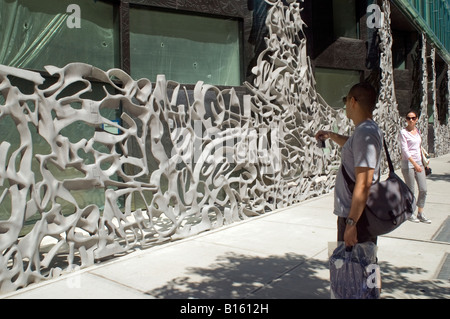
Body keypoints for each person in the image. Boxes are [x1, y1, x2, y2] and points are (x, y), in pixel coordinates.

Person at [315, 82, 383, 247]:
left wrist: (351, 224)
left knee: (354, 269)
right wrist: (331, 135)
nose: (344, 105)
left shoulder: (365, 133)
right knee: (358, 269)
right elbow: (352, 145)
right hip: (356, 214)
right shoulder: (365, 131)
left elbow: (364, 182)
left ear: (353, 101)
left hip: (357, 217)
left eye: (345, 100)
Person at [398, 110, 431, 223]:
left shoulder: (418, 131)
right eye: (408, 118)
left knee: (423, 189)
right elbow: (405, 151)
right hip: (408, 164)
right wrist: (415, 164)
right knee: (410, 190)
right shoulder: (403, 132)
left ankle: (420, 213)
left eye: (413, 118)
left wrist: (423, 163)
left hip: (419, 163)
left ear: (417, 119)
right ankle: (410, 212)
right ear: (406, 119)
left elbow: (419, 148)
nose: (410, 120)